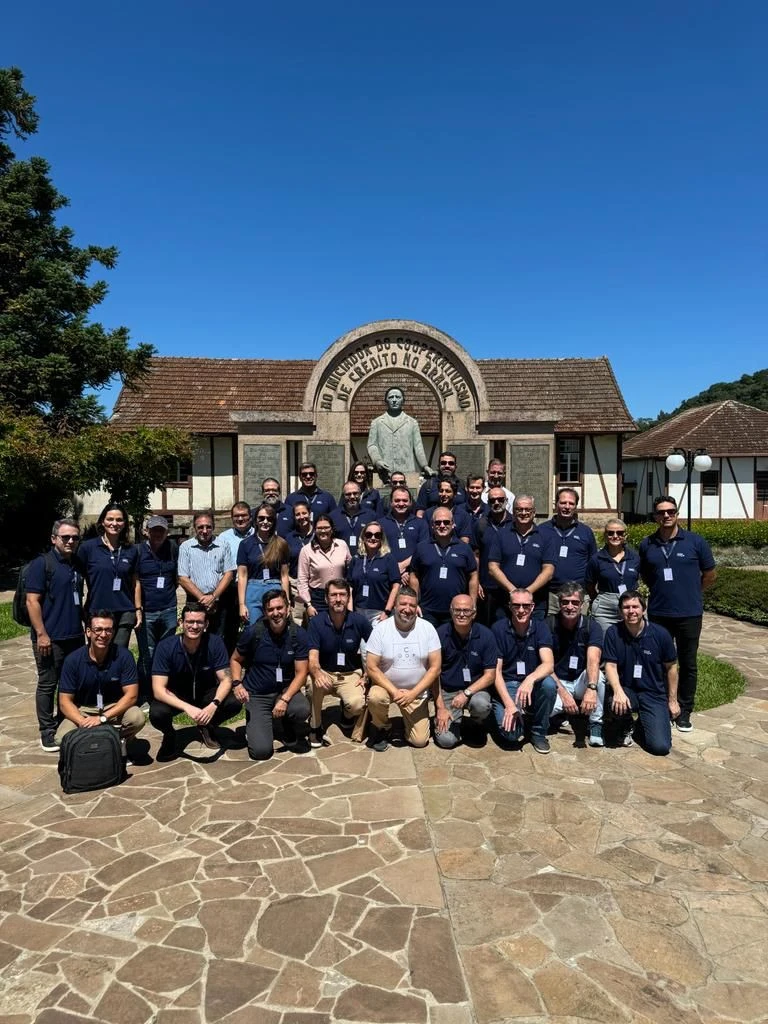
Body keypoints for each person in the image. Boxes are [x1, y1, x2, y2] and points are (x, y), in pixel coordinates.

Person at [639, 496, 716, 732]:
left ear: (677, 514)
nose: (666, 516)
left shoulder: (695, 541)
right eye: (661, 512)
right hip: (660, 613)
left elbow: (710, 574)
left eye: (670, 511)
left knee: (688, 663)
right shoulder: (647, 544)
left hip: (689, 613)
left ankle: (684, 709)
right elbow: (646, 575)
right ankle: (662, 703)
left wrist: (692, 592)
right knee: (659, 661)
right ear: (655, 516)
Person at [150, 603, 241, 760]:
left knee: (234, 702)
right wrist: (187, 708)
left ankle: (208, 725)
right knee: (157, 713)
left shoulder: (215, 642)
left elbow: (226, 679)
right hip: (178, 695)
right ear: (181, 623)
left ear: (206, 624)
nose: (194, 626)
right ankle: (170, 735)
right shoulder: (165, 647)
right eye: (190, 622)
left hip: (205, 693)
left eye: (199, 622)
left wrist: (214, 705)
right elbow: (158, 689)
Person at [230, 588, 312, 759]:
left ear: (288, 608)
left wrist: (284, 699)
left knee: (302, 709)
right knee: (261, 752)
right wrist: (237, 683)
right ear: (265, 612)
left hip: (284, 691)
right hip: (258, 693)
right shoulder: (254, 633)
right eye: (270, 609)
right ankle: (258, 719)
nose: (276, 613)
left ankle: (285, 722)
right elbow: (235, 660)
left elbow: (301, 673)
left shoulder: (298, 635)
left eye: (280, 608)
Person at [26, 518, 85, 751]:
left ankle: (65, 721)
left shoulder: (76, 563)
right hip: (50, 638)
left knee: (70, 683)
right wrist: (41, 634)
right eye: (65, 537)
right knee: (48, 683)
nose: (70, 541)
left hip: (75, 636)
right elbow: (32, 601)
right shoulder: (42, 564)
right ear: (54, 539)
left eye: (74, 537)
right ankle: (47, 730)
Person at [603, 590, 680, 755]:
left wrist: (672, 700)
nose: (631, 611)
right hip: (627, 690)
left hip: (653, 693)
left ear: (643, 609)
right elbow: (610, 665)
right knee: (613, 703)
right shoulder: (613, 633)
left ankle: (643, 724)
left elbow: (672, 668)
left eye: (635, 607)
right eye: (626, 607)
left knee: (660, 747)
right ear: (620, 610)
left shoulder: (660, 634)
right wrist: (618, 691)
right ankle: (625, 724)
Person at [365, 587, 442, 751]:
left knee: (420, 741)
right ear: (394, 606)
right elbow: (371, 667)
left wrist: (413, 693)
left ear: (417, 607)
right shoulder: (381, 629)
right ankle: (381, 726)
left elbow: (435, 668)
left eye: (412, 605)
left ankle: (408, 725)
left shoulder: (428, 629)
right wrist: (394, 691)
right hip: (387, 688)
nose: (407, 609)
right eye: (403, 604)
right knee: (375, 697)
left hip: (416, 692)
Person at [56, 609, 145, 749]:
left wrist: (102, 718)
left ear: (113, 633)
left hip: (114, 706)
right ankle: (92, 750)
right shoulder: (72, 660)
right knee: (62, 738)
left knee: (137, 718)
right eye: (98, 630)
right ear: (88, 632)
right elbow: (64, 701)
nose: (103, 635)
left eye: (108, 630)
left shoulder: (124, 656)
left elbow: (132, 696)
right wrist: (83, 721)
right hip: (84, 709)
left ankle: (120, 744)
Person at [307, 579, 372, 746]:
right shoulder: (316, 622)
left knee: (357, 704)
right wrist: (316, 672)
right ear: (326, 599)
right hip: (325, 673)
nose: (338, 599)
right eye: (333, 595)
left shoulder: (359, 621)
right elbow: (313, 657)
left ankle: (346, 712)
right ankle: (315, 726)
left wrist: (367, 674)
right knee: (312, 684)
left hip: (350, 674)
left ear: (348, 598)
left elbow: (375, 649)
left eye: (342, 595)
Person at [491, 589, 557, 754]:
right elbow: (496, 672)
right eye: (516, 605)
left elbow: (548, 664)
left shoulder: (541, 628)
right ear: (509, 606)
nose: (521, 610)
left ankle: (538, 732)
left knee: (549, 684)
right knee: (512, 735)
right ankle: (505, 713)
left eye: (526, 606)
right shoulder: (498, 629)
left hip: (530, 684)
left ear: (533, 606)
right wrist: (509, 704)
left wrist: (530, 679)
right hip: (507, 685)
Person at [547, 582, 605, 747]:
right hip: (558, 682)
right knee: (544, 711)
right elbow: (546, 665)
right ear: (559, 604)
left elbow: (593, 659)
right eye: (565, 602)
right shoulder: (549, 624)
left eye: (575, 602)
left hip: (580, 680)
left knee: (599, 677)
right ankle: (559, 714)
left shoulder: (591, 626)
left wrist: (591, 688)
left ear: (582, 605)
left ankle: (596, 724)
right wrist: (564, 694)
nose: (570, 607)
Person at [434, 595, 496, 749]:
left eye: (466, 611)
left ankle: (477, 723)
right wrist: (440, 707)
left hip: (475, 690)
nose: (461, 614)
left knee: (481, 705)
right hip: (448, 690)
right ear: (451, 612)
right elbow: (434, 673)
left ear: (474, 614)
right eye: (457, 610)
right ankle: (452, 722)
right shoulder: (440, 634)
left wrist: (466, 693)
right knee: (446, 741)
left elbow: (490, 675)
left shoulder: (486, 635)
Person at [77, 502, 140, 648]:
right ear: (102, 522)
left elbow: (136, 582)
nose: (114, 523)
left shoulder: (131, 550)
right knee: (99, 651)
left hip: (125, 610)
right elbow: (78, 577)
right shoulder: (88, 548)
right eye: (110, 519)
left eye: (119, 520)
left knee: (118, 652)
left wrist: (138, 610)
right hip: (97, 609)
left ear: (124, 524)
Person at [487, 495, 555, 620]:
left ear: (534, 512)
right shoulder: (501, 535)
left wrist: (527, 593)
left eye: (527, 509)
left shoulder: (545, 537)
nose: (523, 513)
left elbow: (549, 571)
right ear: (513, 512)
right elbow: (492, 567)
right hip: (505, 602)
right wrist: (513, 591)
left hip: (536, 603)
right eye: (519, 509)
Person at [409, 510, 478, 628]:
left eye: (446, 522)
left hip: (456, 610)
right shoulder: (421, 547)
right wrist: (414, 602)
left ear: (453, 524)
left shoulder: (464, 548)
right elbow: (414, 575)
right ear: (432, 525)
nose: (442, 526)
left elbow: (473, 576)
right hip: (428, 610)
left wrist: (472, 604)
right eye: (438, 523)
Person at [135, 515, 179, 700]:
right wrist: (138, 608)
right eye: (154, 530)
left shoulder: (172, 548)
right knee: (148, 653)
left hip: (168, 608)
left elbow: (176, 578)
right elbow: (135, 580)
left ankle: (163, 690)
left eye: (161, 530)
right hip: (147, 611)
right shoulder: (138, 551)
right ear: (147, 531)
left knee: (166, 650)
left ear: (166, 532)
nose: (158, 533)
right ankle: (146, 692)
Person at [177, 511, 236, 639]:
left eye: (208, 527)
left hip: (219, 601)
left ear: (213, 527)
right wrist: (204, 599)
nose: (204, 530)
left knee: (219, 638)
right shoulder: (185, 547)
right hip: (195, 601)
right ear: (194, 527)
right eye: (200, 527)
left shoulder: (223, 545)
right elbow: (182, 578)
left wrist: (213, 597)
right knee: (194, 637)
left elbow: (229, 573)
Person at [538, 488, 597, 615]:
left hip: (578, 595)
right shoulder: (542, 531)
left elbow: (593, 563)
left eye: (571, 503)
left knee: (579, 631)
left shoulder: (585, 532)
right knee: (552, 630)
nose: (567, 507)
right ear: (556, 504)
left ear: (576, 506)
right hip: (551, 595)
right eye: (563, 503)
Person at [237, 503, 290, 624]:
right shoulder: (246, 544)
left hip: (275, 587)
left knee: (277, 626)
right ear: (255, 520)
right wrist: (242, 604)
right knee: (253, 628)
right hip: (253, 589)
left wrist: (287, 601)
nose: (265, 522)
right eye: (261, 518)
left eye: (269, 519)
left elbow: (284, 576)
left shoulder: (281, 544)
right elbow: (242, 575)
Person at [586, 518, 641, 633]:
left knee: (630, 642)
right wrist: (600, 599)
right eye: (610, 533)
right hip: (605, 609)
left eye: (620, 533)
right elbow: (590, 584)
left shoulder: (635, 557)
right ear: (605, 536)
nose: (615, 536)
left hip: (629, 606)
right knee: (605, 644)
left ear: (625, 535)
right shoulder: (596, 559)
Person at [367, 386, 434, 482]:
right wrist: (377, 460)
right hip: (384, 474)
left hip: (407, 473)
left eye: (397, 397)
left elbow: (418, 447)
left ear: (403, 400)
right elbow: (372, 445)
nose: (394, 400)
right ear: (386, 400)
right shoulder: (376, 423)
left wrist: (424, 466)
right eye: (391, 397)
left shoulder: (412, 422)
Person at [297, 514, 351, 618]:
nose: (323, 531)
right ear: (315, 530)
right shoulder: (306, 550)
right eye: (319, 528)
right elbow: (302, 580)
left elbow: (350, 568)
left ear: (332, 529)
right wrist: (308, 604)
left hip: (339, 595)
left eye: (326, 527)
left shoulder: (342, 545)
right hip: (318, 598)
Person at [475, 486, 514, 625]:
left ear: (506, 500)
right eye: (492, 500)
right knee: (487, 624)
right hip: (487, 587)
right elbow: (476, 554)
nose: (496, 502)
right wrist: (477, 581)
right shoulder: (481, 524)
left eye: (500, 499)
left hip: (510, 585)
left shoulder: (515, 524)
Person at [348, 521, 400, 624]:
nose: (373, 538)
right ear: (363, 537)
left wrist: (387, 611)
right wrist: (350, 612)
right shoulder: (356, 559)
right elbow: (350, 587)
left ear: (381, 538)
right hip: (358, 611)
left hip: (379, 613)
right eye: (368, 534)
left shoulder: (388, 558)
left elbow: (396, 586)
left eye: (377, 535)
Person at [381, 485, 428, 583]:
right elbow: (379, 550)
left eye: (405, 500)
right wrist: (395, 569)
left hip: (414, 575)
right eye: (397, 500)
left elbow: (423, 550)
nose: (401, 504)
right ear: (391, 502)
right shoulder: (380, 524)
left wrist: (403, 566)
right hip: (387, 575)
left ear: (411, 503)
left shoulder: (421, 523)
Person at [424, 477, 474, 544]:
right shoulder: (428, 514)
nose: (443, 494)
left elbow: (464, 541)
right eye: (441, 491)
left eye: (448, 491)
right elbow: (425, 539)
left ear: (455, 494)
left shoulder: (464, 516)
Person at [330, 481, 376, 553]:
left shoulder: (371, 515)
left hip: (364, 559)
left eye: (355, 493)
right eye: (348, 494)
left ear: (360, 495)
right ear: (343, 496)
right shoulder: (333, 516)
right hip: (341, 560)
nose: (352, 497)